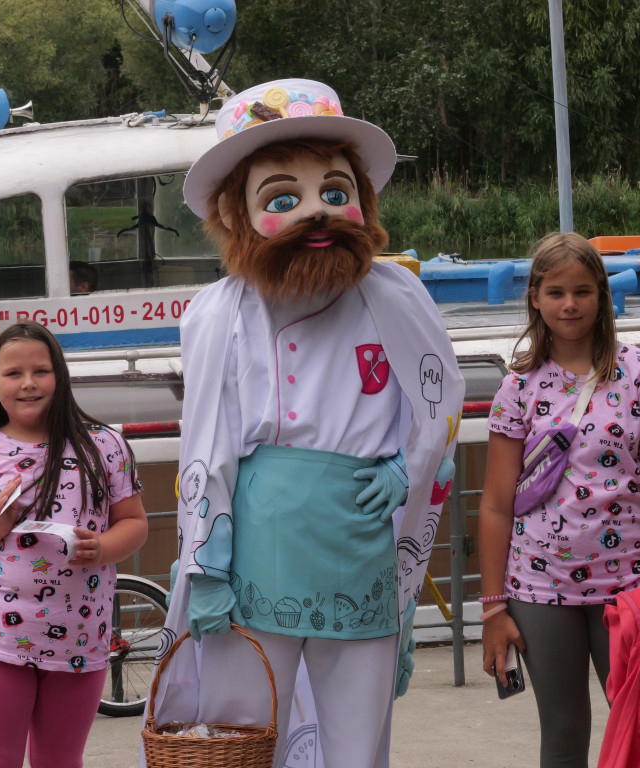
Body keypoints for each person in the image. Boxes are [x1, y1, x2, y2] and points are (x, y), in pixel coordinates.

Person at [147, 78, 465, 768]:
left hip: (360, 539)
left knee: (358, 735)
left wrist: (404, 468)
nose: (317, 213)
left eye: (336, 192)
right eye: (283, 200)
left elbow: (440, 399)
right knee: (243, 730)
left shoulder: (394, 294)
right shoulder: (218, 312)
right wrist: (206, 565)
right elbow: (205, 442)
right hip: (254, 546)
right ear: (237, 215)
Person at [478, 232, 640, 768]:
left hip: (633, 588)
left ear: (602, 296)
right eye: (554, 292)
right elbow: (497, 504)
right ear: (535, 298)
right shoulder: (518, 388)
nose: (569, 305)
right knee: (564, 733)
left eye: (581, 291)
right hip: (539, 588)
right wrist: (494, 607)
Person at [0, 321, 147, 768]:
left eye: (40, 371)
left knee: (61, 762)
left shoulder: (105, 447)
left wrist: (103, 548)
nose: (28, 383)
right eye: (12, 373)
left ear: (59, 376)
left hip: (81, 638)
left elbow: (135, 524)